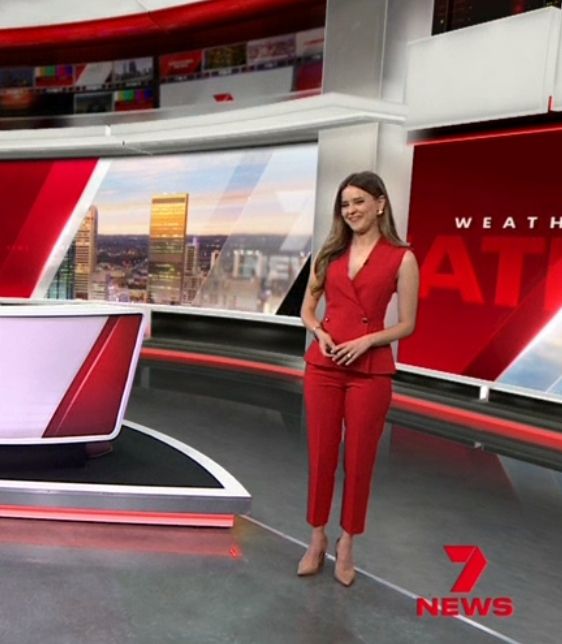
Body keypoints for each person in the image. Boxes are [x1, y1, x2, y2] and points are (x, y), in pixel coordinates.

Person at [298, 171, 419, 586]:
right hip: (324, 366)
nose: (350, 211)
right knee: (321, 455)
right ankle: (317, 538)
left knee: (359, 459)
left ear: (380, 204)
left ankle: (347, 543)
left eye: (358, 202)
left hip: (370, 372)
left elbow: (407, 324)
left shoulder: (402, 258)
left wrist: (368, 340)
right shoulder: (330, 253)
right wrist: (319, 331)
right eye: (345, 204)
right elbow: (307, 309)